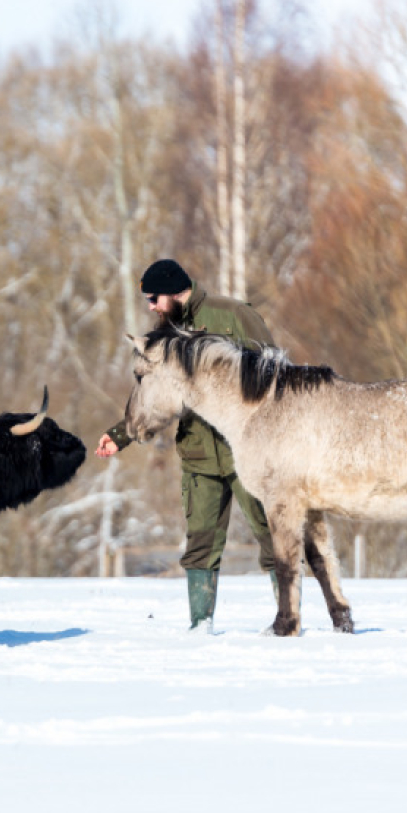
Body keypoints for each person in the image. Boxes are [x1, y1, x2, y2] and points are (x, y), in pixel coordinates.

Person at [95, 258, 278, 632]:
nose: (150, 307)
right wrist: (120, 435)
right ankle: (201, 627)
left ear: (177, 291)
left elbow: (276, 378)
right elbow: (152, 397)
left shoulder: (237, 315)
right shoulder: (164, 335)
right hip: (198, 456)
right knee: (200, 547)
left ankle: (288, 618)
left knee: (275, 537)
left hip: (249, 454)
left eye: (154, 298)